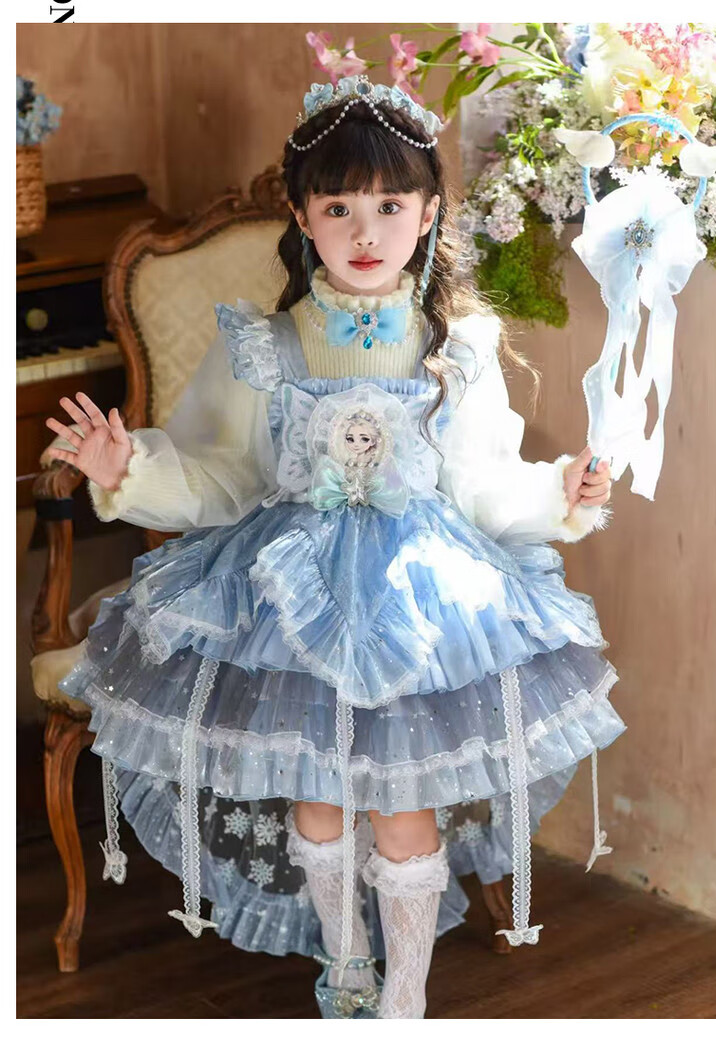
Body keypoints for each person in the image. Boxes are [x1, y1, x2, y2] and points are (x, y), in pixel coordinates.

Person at [46, 75, 621, 1020]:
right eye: (339, 205)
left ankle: (405, 996)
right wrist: (131, 468)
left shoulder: (457, 345)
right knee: (316, 795)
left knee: (402, 800)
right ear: (302, 214)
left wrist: (559, 493)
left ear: (428, 213)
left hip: (419, 597)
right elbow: (222, 477)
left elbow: (480, 482)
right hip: (290, 592)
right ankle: (346, 964)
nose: (365, 231)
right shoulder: (264, 345)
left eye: (391, 206)